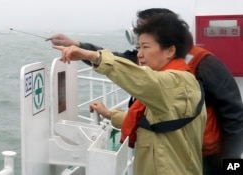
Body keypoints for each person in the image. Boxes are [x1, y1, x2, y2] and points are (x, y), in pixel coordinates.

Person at [47, 8, 243, 175]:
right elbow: (122, 63)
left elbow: (235, 113)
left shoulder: (195, 70)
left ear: (169, 47)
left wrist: (232, 165)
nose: (140, 52)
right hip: (177, 148)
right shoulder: (156, 64)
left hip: (211, 155)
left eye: (145, 44)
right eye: (138, 44)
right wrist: (111, 115)